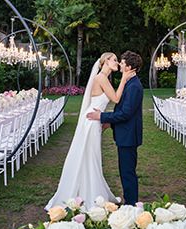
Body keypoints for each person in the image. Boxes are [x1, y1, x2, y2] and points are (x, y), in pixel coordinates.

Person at [45, 52, 135, 209]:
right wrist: (124, 79)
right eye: (114, 60)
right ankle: (90, 195)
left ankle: (91, 192)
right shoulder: (100, 78)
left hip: (95, 121)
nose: (117, 63)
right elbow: (115, 99)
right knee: (90, 158)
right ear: (106, 61)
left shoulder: (103, 78)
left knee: (91, 158)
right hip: (92, 121)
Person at [86, 51, 144, 206]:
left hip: (128, 136)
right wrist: (110, 122)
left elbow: (125, 113)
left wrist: (102, 117)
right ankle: (129, 201)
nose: (120, 64)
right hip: (125, 134)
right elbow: (122, 109)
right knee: (125, 171)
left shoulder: (134, 86)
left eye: (122, 63)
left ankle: (131, 204)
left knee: (127, 172)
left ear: (129, 67)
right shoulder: (129, 83)